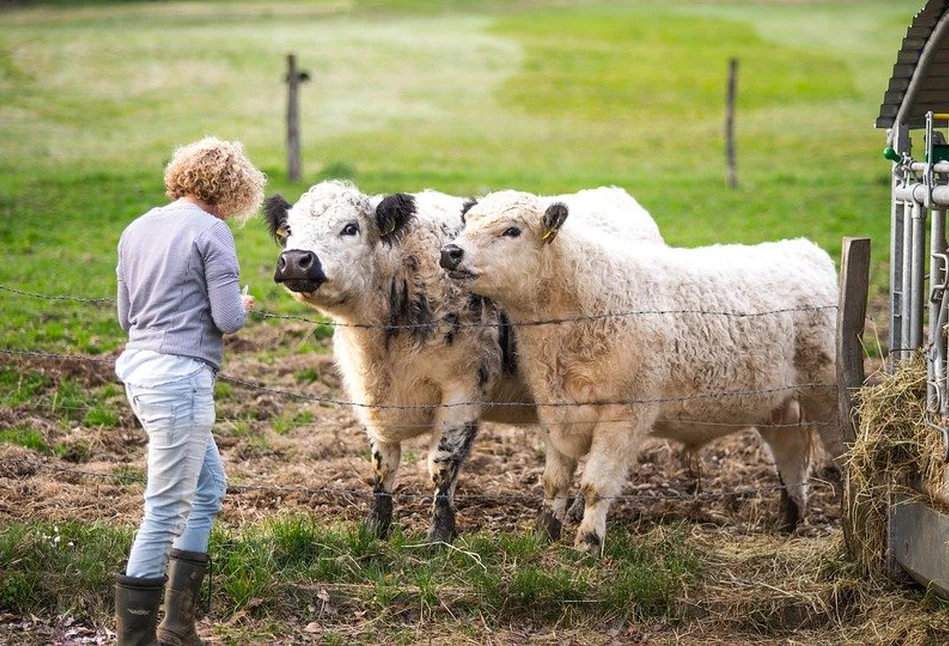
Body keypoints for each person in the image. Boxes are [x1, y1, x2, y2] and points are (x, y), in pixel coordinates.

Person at [113, 136, 264, 646]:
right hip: (180, 380)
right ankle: (136, 639)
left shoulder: (136, 228)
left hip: (139, 371)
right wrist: (242, 306)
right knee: (166, 506)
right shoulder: (213, 231)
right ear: (234, 188)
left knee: (207, 489)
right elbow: (225, 318)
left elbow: (124, 317)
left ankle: (178, 626)